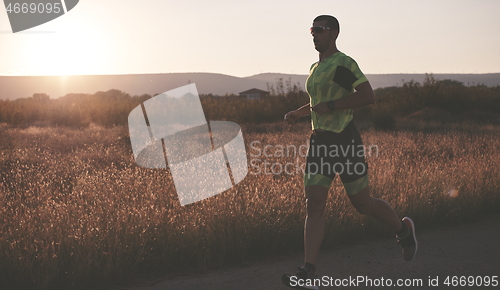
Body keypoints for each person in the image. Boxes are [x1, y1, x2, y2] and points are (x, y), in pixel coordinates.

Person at [281, 15, 417, 290]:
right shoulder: (315, 67)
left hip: (345, 142)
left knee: (362, 204)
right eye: (311, 30)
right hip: (320, 143)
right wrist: (300, 111)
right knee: (314, 203)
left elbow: (367, 96)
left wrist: (333, 106)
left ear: (334, 33)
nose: (313, 34)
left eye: (318, 30)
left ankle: (403, 231)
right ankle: (309, 270)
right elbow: (317, 101)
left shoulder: (342, 64)